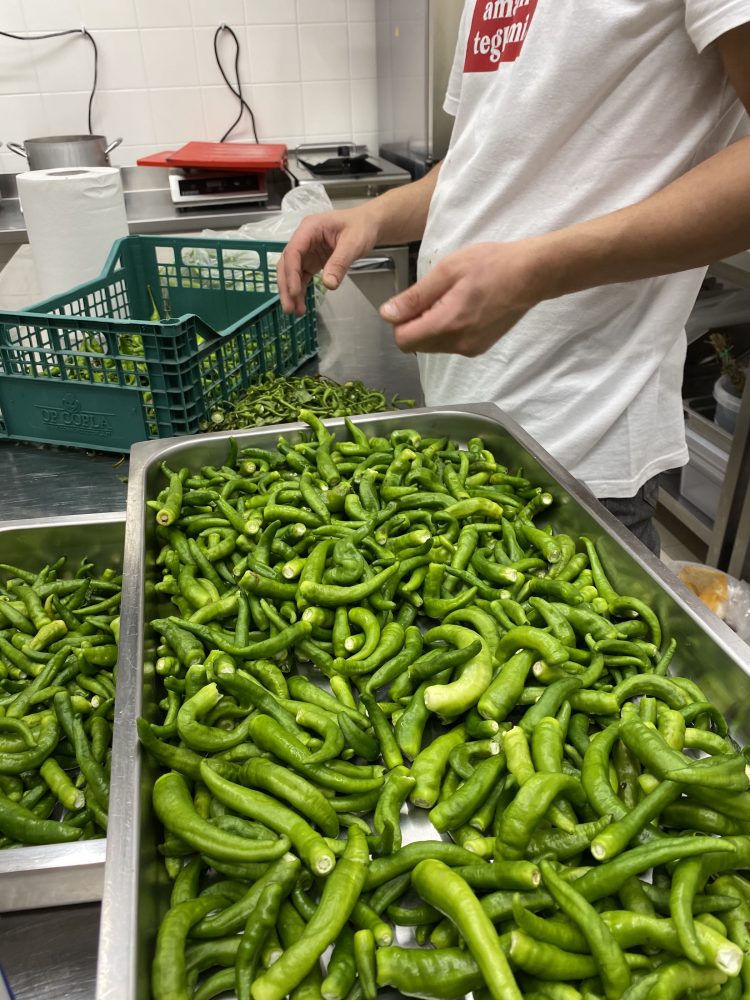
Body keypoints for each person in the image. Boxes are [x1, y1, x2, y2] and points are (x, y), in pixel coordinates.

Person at [278, 2, 750, 555]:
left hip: (578, 453)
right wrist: (375, 217)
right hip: (461, 428)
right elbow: (478, 164)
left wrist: (534, 271)